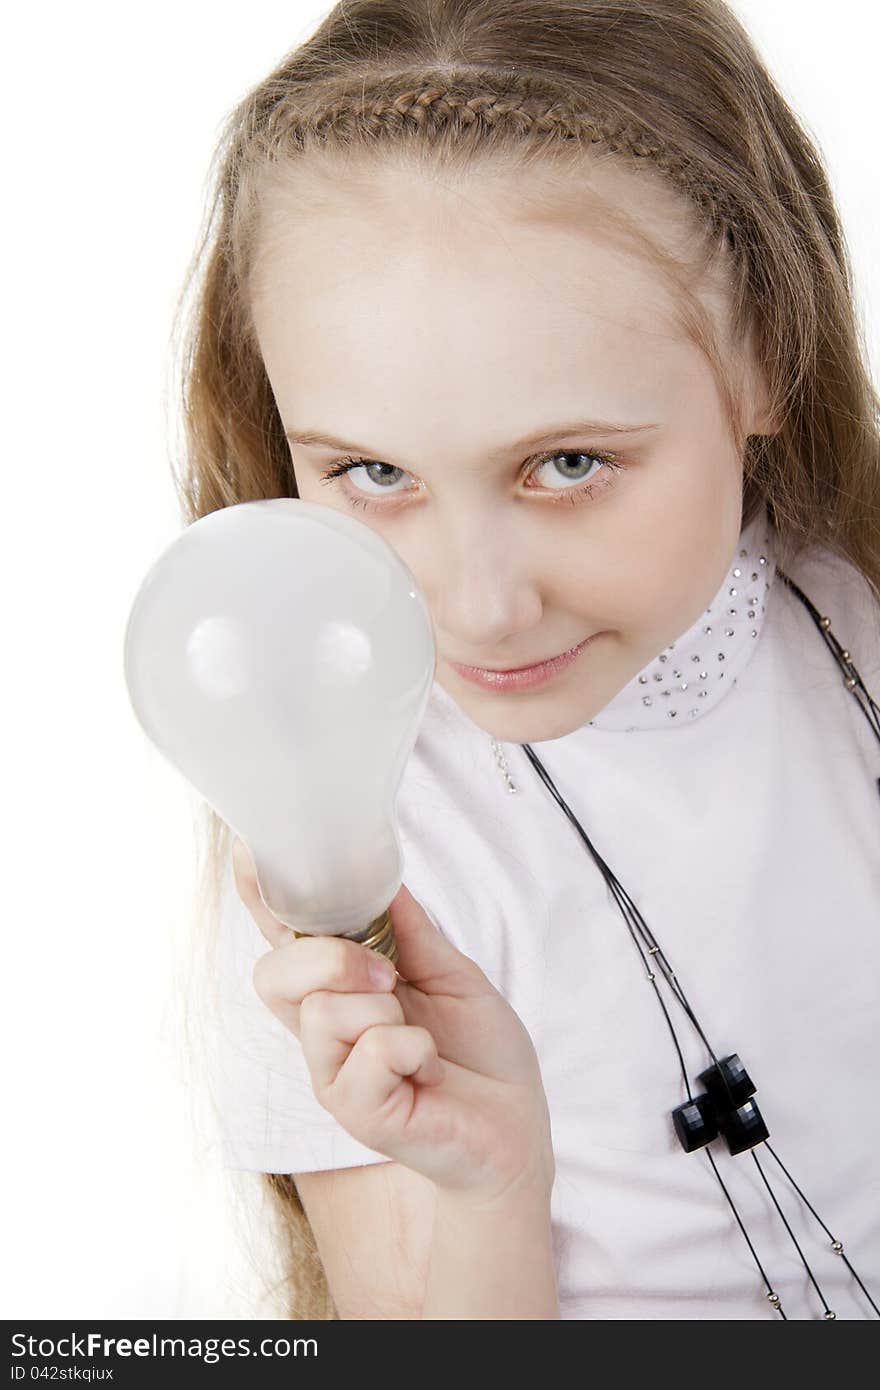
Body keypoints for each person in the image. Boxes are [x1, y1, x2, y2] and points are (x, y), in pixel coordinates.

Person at [170, 0, 880, 1320]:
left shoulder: (853, 634)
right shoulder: (353, 850)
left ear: (771, 355)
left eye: (569, 465)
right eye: (374, 473)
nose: (481, 608)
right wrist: (483, 1186)